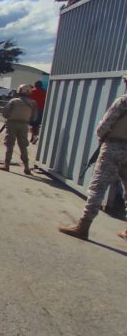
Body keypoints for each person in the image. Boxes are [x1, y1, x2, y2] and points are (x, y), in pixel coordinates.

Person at [59, 73, 127, 241]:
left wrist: (102, 137)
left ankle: (83, 226)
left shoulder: (123, 101)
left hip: (114, 146)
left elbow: (104, 125)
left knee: (98, 187)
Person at [0, 84, 38, 174]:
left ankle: (6, 165)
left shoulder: (14, 101)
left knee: (9, 144)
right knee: (23, 146)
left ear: (19, 91)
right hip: (24, 125)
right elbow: (34, 118)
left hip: (12, 124)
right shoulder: (33, 103)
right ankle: (26, 167)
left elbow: (5, 113)